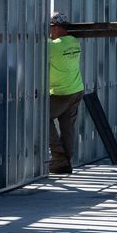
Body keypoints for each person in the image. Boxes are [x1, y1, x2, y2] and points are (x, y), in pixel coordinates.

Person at [47, 14, 85, 175]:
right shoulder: (75, 42)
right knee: (67, 128)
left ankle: (59, 158)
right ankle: (66, 163)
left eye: (50, 29)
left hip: (61, 92)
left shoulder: (53, 47)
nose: (49, 32)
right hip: (76, 89)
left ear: (56, 28)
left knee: (42, 118)